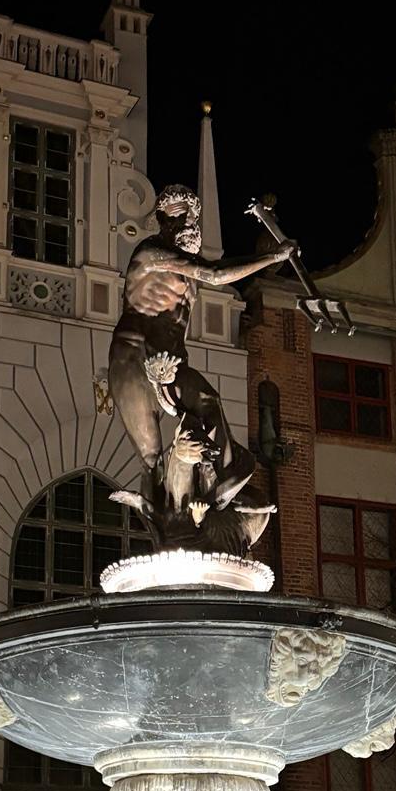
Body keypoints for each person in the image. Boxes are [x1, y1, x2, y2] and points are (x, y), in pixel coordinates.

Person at [108, 185, 294, 535]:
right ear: (161, 221)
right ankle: (166, 530)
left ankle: (224, 485)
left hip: (171, 360)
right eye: (175, 217)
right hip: (134, 354)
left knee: (208, 400)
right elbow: (216, 274)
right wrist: (272, 258)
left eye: (190, 217)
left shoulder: (187, 270)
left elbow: (217, 267)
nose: (184, 223)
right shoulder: (151, 252)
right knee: (151, 458)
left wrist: (272, 255)